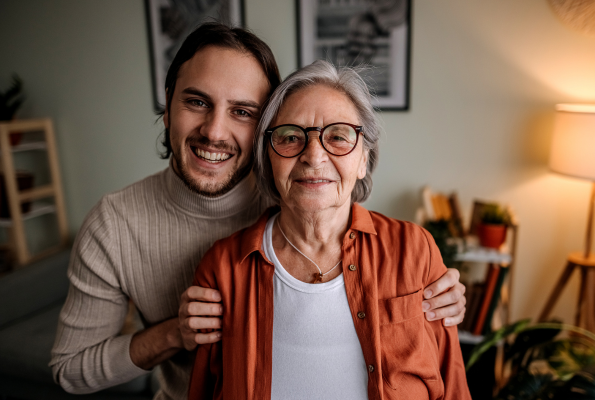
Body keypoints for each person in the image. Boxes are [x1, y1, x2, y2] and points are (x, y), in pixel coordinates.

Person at [50, 23, 466, 400]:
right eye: (196, 101)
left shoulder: (304, 194)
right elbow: (69, 371)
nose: (214, 131)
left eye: (243, 111)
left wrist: (431, 281)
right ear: (168, 103)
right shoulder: (118, 224)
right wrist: (175, 333)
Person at [189, 60, 470, 400]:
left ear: (364, 159)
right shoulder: (222, 269)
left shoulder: (414, 249)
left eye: (337, 136)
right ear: (269, 156)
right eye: (291, 137)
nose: (314, 156)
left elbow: (452, 384)